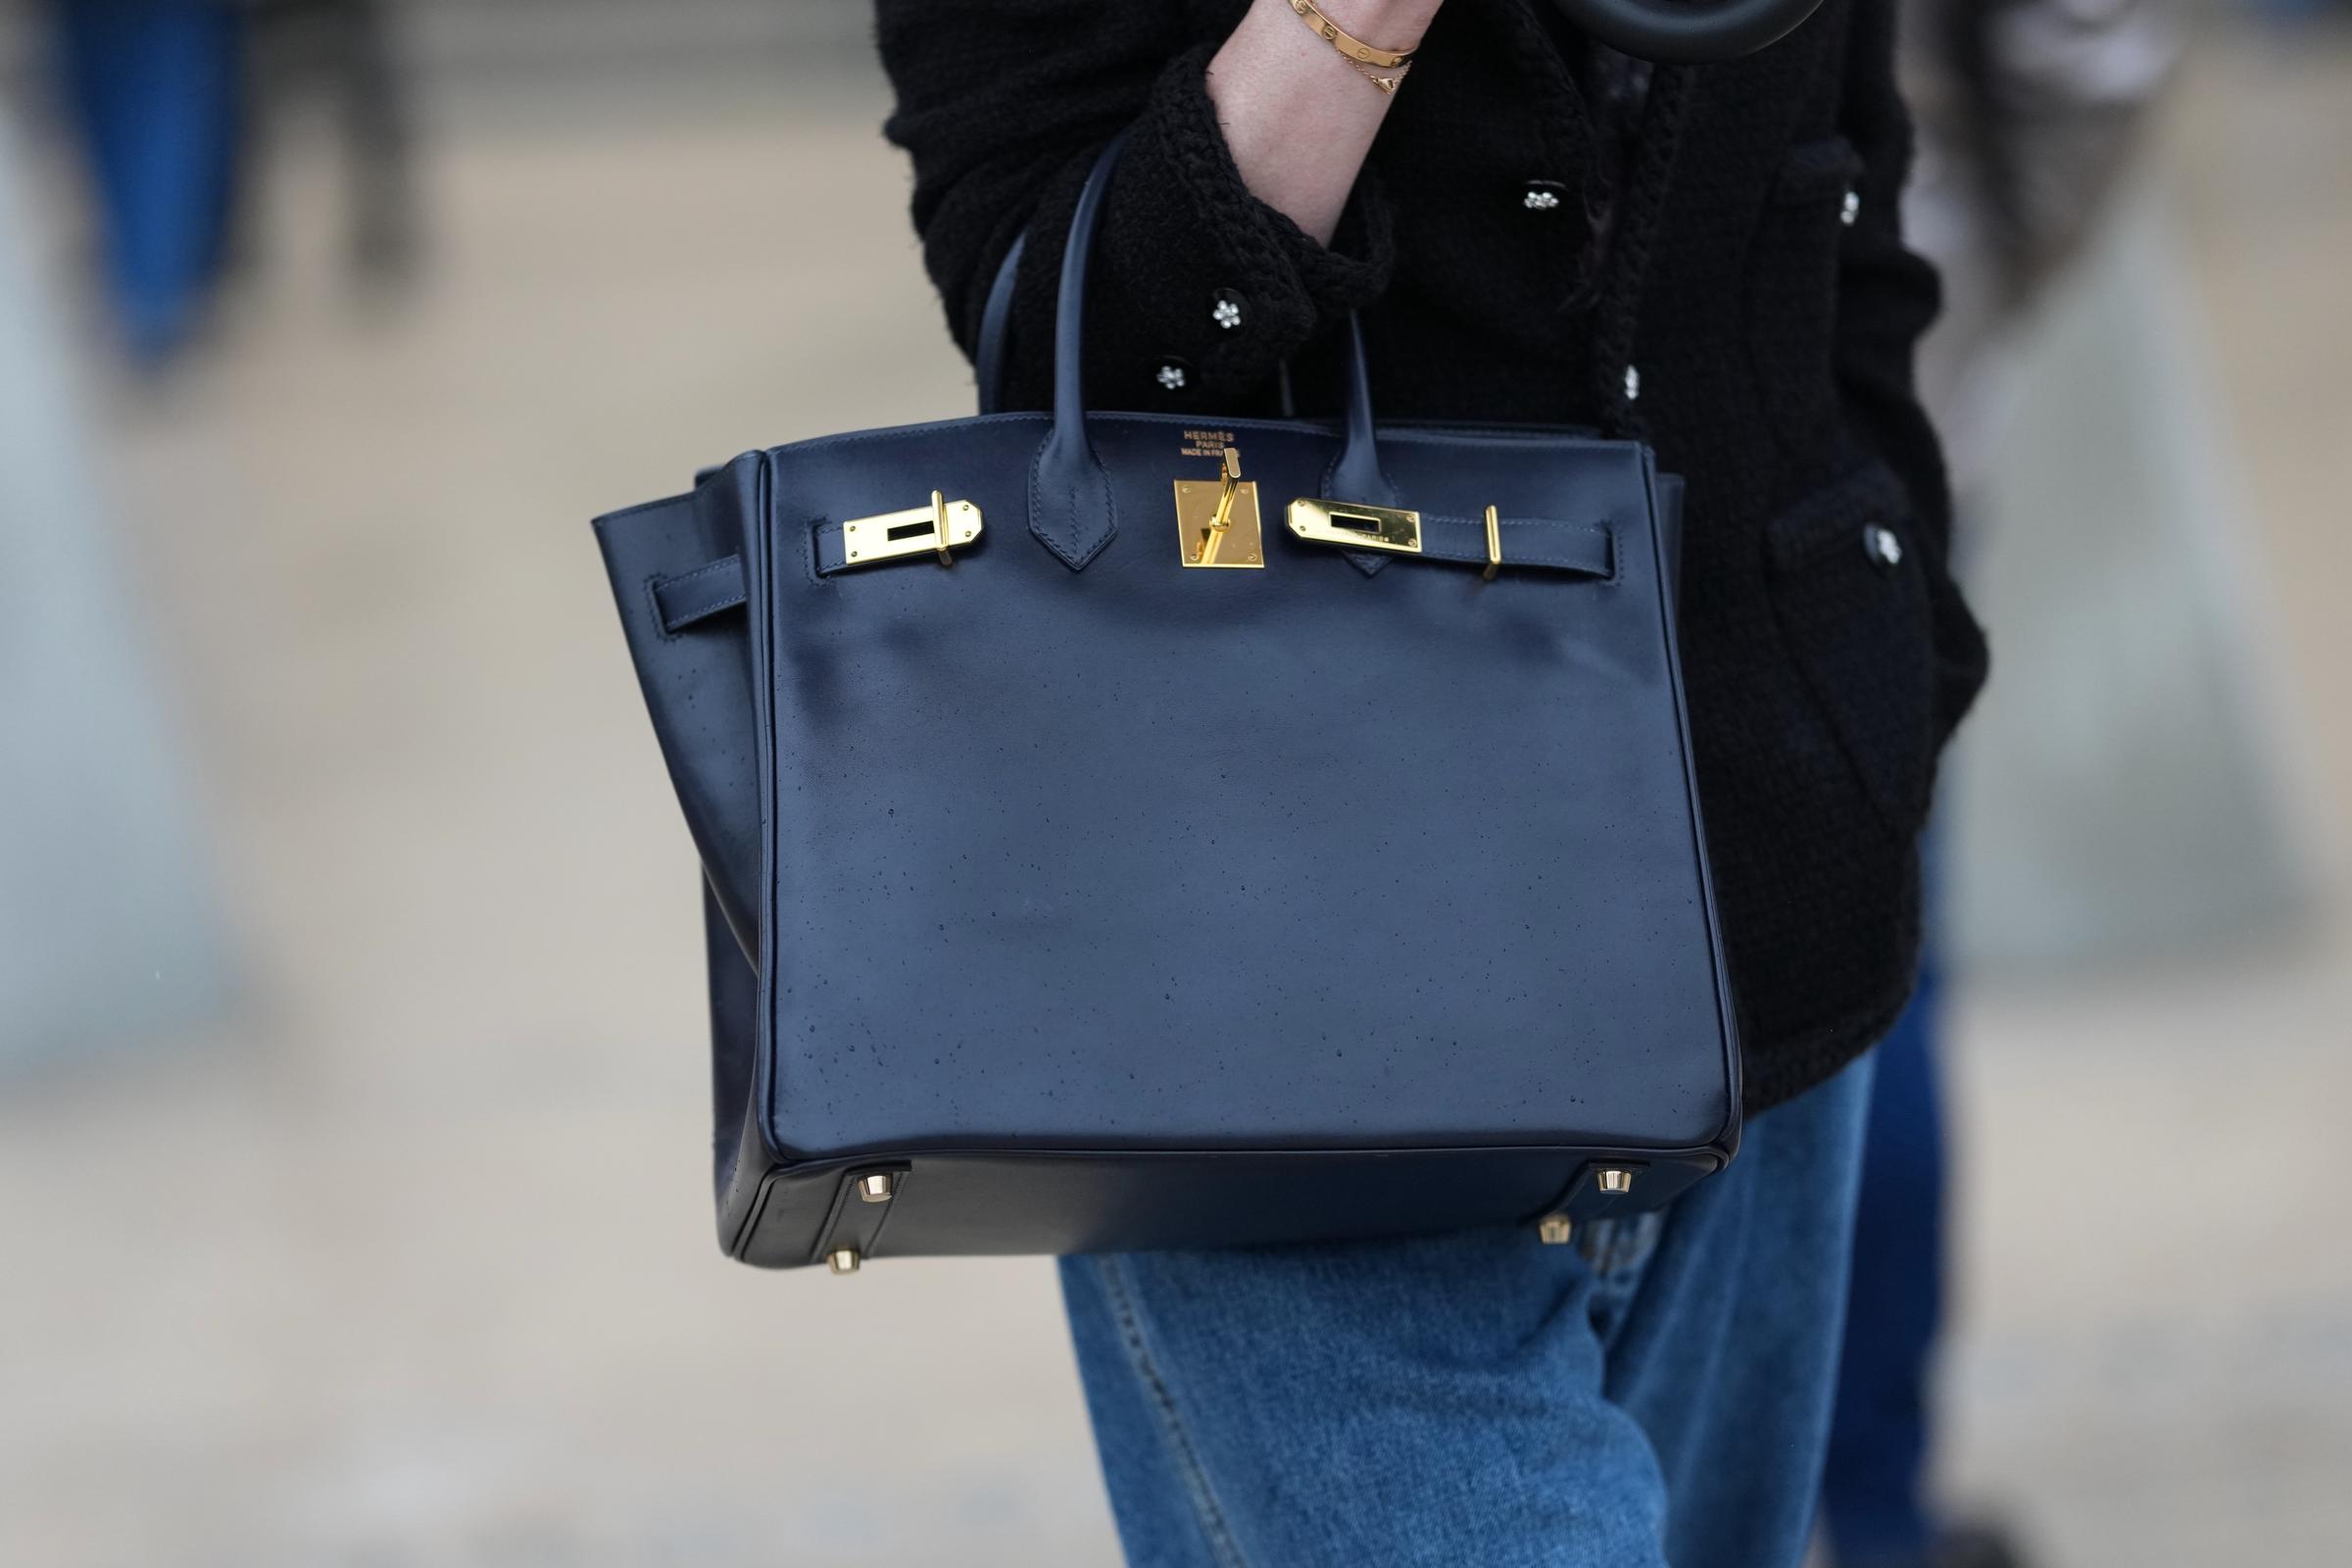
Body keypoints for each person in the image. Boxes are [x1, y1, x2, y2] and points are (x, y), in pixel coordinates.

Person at [875, 1, 1987, 1562]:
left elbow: (1848, 211)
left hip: (1761, 929)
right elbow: (1067, 335)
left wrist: (1878, 662)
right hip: (1281, 1005)